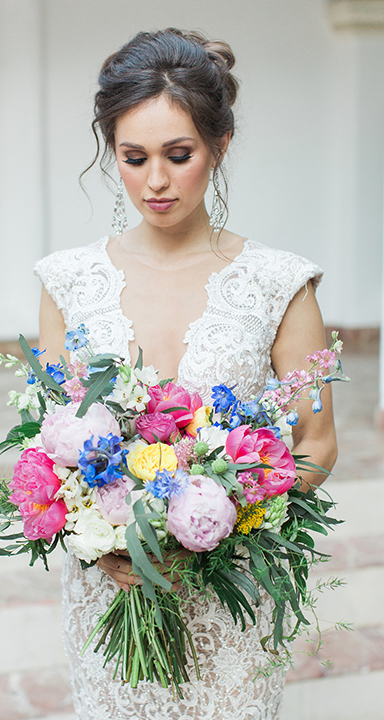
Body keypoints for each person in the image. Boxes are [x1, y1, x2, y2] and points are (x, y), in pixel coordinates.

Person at [34, 28, 337, 720]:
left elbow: (315, 443)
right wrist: (97, 539)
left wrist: (222, 524)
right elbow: (50, 436)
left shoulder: (278, 283)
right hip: (111, 596)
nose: (156, 181)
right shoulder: (67, 281)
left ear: (220, 146)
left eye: (179, 154)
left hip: (231, 595)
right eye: (133, 158)